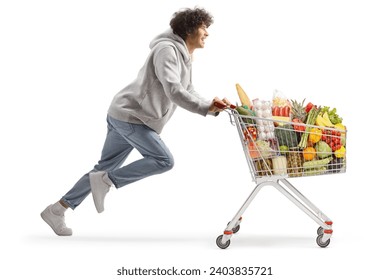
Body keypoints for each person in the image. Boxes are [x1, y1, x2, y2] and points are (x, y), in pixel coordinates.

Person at [41, 7, 230, 236]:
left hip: (125, 114)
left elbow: (187, 89)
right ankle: (108, 180)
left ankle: (57, 209)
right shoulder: (167, 50)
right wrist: (204, 107)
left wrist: (210, 104)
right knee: (163, 160)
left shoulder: (185, 54)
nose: (207, 33)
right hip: (132, 117)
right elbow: (173, 90)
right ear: (190, 29)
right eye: (204, 27)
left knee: (101, 169)